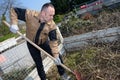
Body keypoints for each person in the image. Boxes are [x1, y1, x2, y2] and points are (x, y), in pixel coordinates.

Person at [9, 2, 71, 80]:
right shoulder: (30, 15)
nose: (52, 17)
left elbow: (53, 41)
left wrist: (55, 56)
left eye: (53, 15)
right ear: (43, 13)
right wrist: (14, 23)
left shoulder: (52, 25)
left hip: (43, 42)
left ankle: (63, 74)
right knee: (38, 63)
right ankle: (43, 78)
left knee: (58, 57)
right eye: (50, 15)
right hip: (31, 43)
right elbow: (14, 10)